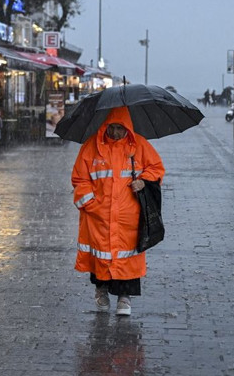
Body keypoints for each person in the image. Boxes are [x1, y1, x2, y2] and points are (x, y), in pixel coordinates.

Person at [71, 106, 165, 316]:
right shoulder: (91, 147)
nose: (115, 133)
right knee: (100, 257)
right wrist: (93, 205)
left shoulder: (139, 146)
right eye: (112, 127)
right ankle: (101, 291)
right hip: (98, 218)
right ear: (105, 126)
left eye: (120, 128)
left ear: (127, 128)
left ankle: (125, 297)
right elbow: (79, 179)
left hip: (128, 217)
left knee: (127, 258)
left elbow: (156, 168)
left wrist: (143, 181)